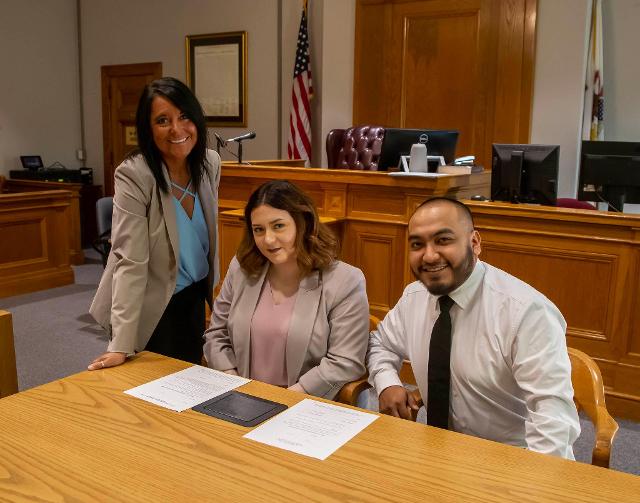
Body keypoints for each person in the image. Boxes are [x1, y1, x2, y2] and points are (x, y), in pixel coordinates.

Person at [366, 197, 580, 459]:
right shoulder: (414, 297)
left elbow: (553, 422)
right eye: (417, 244)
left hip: (512, 459)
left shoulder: (526, 312)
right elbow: (380, 343)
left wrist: (528, 487)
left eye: (443, 240)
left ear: (475, 243)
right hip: (434, 453)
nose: (429, 255)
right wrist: (387, 383)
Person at [88, 77, 221, 370]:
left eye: (184, 116)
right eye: (163, 120)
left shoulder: (209, 163)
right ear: (148, 129)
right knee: (154, 394)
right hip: (152, 304)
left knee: (193, 382)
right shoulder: (135, 174)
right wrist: (121, 344)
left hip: (195, 297)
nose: (177, 129)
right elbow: (130, 260)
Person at [204, 180, 369, 398]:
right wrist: (231, 379)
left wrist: (287, 398)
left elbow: (345, 361)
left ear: (304, 223)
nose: (268, 239)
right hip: (239, 394)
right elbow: (216, 334)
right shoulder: (241, 268)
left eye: (278, 226)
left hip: (303, 402)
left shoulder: (345, 280)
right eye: (258, 230)